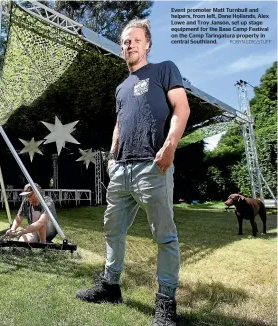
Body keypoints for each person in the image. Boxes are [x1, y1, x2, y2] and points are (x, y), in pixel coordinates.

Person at [75, 18, 190, 325]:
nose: (130, 45)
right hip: (121, 170)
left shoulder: (164, 69)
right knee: (113, 231)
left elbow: (182, 108)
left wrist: (170, 145)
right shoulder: (121, 88)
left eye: (135, 40)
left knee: (164, 237)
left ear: (147, 43)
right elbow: (119, 124)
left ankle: (165, 301)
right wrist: (112, 159)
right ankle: (111, 286)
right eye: (125, 41)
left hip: (152, 167)